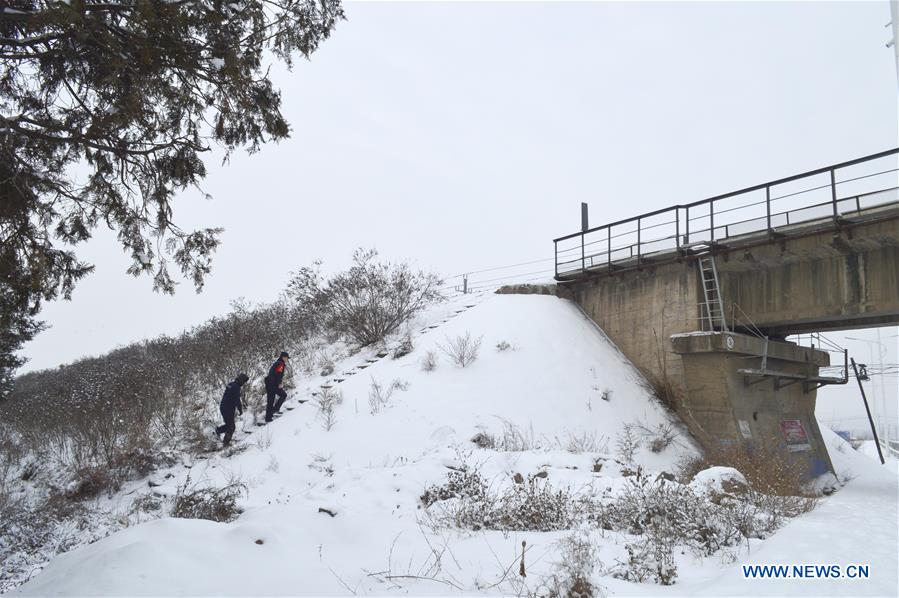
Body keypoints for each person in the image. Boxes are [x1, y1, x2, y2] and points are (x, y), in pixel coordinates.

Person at [216, 373, 249, 446]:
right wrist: (240, 409)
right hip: (228, 408)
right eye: (244, 382)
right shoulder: (236, 387)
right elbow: (237, 399)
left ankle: (218, 431)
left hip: (223, 406)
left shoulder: (231, 384)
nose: (243, 384)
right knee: (231, 427)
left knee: (229, 425)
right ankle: (225, 443)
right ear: (241, 380)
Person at [264, 351, 290, 422]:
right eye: (287, 358)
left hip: (269, 383)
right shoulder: (280, 364)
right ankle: (275, 410)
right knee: (283, 395)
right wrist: (279, 383)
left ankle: (268, 418)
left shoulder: (277, 363)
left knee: (270, 401)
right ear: (283, 357)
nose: (287, 359)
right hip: (274, 384)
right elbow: (278, 374)